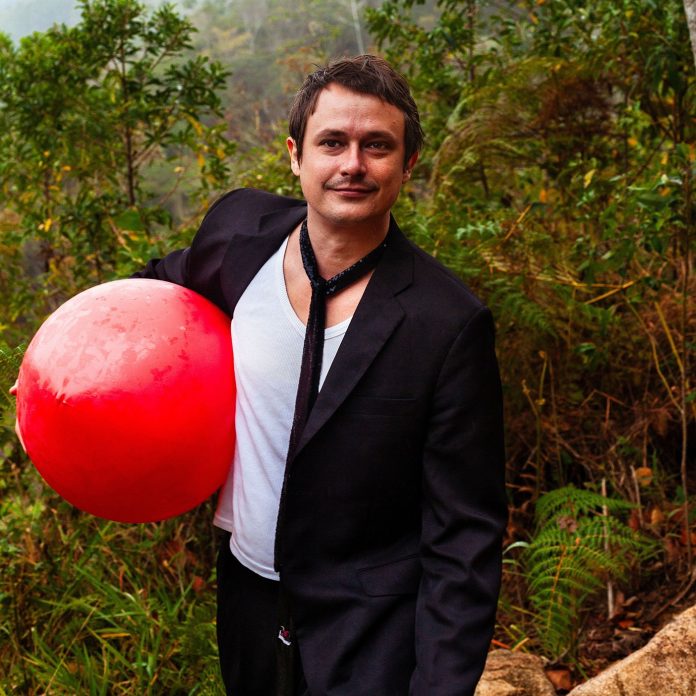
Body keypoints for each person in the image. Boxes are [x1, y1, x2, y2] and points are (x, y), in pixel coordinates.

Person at [24, 55, 507, 695]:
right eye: (331, 142)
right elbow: (150, 296)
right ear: (295, 155)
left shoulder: (446, 322)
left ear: (407, 163)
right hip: (247, 596)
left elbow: (464, 534)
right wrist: (53, 374)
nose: (352, 164)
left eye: (377, 146)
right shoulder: (240, 236)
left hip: (369, 623)